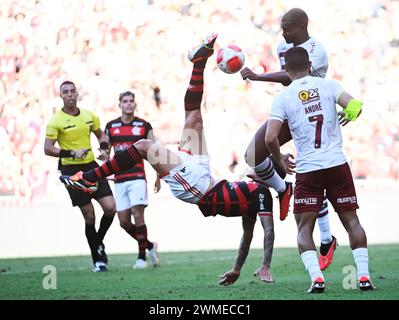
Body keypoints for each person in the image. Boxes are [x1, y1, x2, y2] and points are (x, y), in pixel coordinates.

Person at [59, 33, 284, 285]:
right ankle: (199, 62)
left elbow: (266, 231)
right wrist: (237, 269)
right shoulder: (249, 189)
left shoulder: (260, 194)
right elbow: (247, 236)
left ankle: (90, 178)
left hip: (197, 188)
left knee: (144, 145)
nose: (257, 169)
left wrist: (265, 265)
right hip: (201, 173)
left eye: (263, 169)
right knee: (194, 116)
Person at [265, 46, 374, 293]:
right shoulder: (330, 86)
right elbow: (356, 105)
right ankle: (364, 277)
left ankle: (317, 278)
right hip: (337, 164)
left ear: (285, 70)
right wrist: (349, 114)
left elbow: (270, 137)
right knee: (352, 222)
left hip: (309, 168)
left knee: (304, 228)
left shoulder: (283, 97)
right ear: (311, 66)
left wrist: (279, 158)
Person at [241, 8, 337, 271]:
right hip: (291, 108)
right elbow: (288, 80)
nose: (282, 31)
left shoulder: (317, 49)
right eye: (281, 26)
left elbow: (290, 76)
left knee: (314, 172)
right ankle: (283, 189)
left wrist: (258, 76)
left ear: (302, 26)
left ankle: (327, 239)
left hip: (314, 111)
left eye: (287, 27)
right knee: (253, 155)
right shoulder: (282, 45)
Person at [44, 80, 116, 272]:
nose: (69, 94)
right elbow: (47, 149)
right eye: (65, 92)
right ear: (60, 96)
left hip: (91, 167)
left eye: (72, 91)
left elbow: (102, 136)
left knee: (110, 208)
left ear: (77, 94)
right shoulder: (55, 121)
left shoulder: (88, 116)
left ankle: (97, 242)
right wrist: (70, 154)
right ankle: (98, 259)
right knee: (90, 216)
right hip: (70, 171)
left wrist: (104, 150)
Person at [104, 91, 160, 269]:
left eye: (131, 101)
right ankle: (150, 245)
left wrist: (158, 176)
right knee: (124, 222)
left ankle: (141, 258)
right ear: (119, 104)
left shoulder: (144, 126)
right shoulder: (111, 126)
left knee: (138, 214)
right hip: (119, 179)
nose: (128, 104)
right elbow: (106, 151)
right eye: (125, 101)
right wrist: (103, 163)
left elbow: (155, 152)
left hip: (137, 177)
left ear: (135, 104)